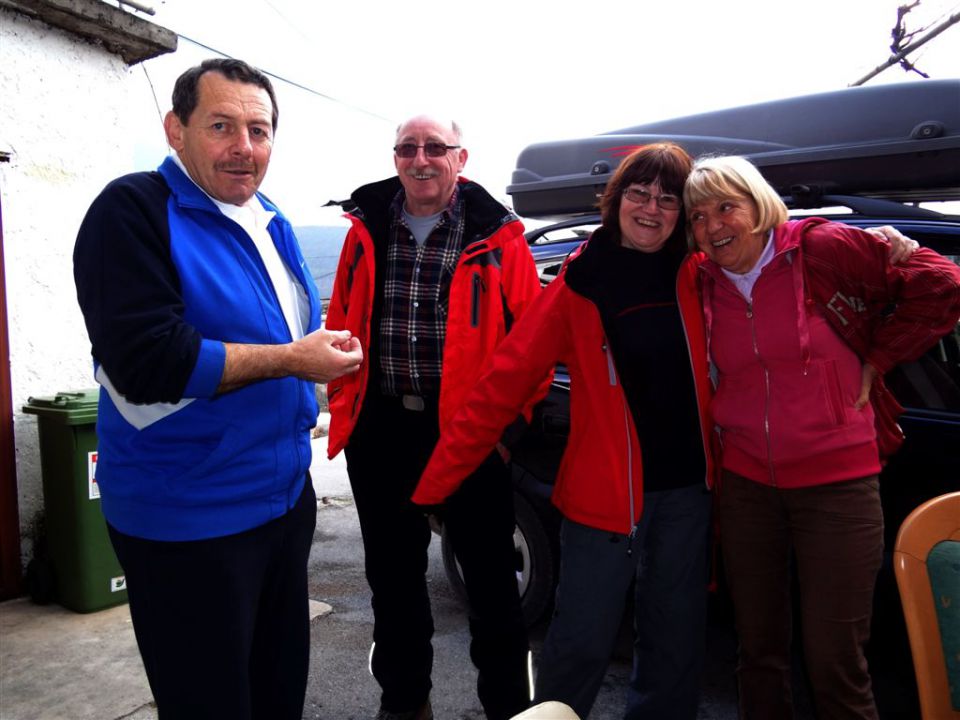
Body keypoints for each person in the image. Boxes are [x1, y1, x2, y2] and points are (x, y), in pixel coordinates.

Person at [73, 58, 363, 720]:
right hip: (187, 520)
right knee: (210, 704)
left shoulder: (270, 219)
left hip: (283, 505)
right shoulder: (132, 210)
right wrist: (295, 360)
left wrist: (317, 356)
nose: (244, 148)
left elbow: (285, 327)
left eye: (258, 131)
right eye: (221, 126)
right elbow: (146, 361)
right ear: (176, 130)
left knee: (277, 694)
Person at [412, 143, 717, 720]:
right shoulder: (581, 282)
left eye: (668, 199)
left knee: (675, 643)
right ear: (616, 199)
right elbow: (503, 381)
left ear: (683, 211)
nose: (651, 208)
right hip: (603, 498)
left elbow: (770, 267)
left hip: (687, 494)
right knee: (578, 644)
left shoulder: (700, 273)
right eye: (639, 193)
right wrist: (437, 483)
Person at [684, 154, 960, 720]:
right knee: (757, 654)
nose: (712, 226)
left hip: (839, 484)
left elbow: (942, 281)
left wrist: (878, 358)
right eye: (699, 216)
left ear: (758, 205)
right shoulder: (699, 279)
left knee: (835, 659)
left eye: (726, 207)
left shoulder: (821, 249)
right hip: (746, 486)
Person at [324, 115, 542, 720]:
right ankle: (404, 703)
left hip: (471, 435)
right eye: (408, 148)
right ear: (396, 158)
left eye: (435, 148)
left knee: (493, 588)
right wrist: (348, 406)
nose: (421, 159)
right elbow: (342, 319)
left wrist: (505, 434)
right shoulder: (366, 228)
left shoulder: (499, 236)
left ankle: (507, 708)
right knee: (392, 583)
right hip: (383, 429)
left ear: (460, 158)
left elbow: (532, 343)